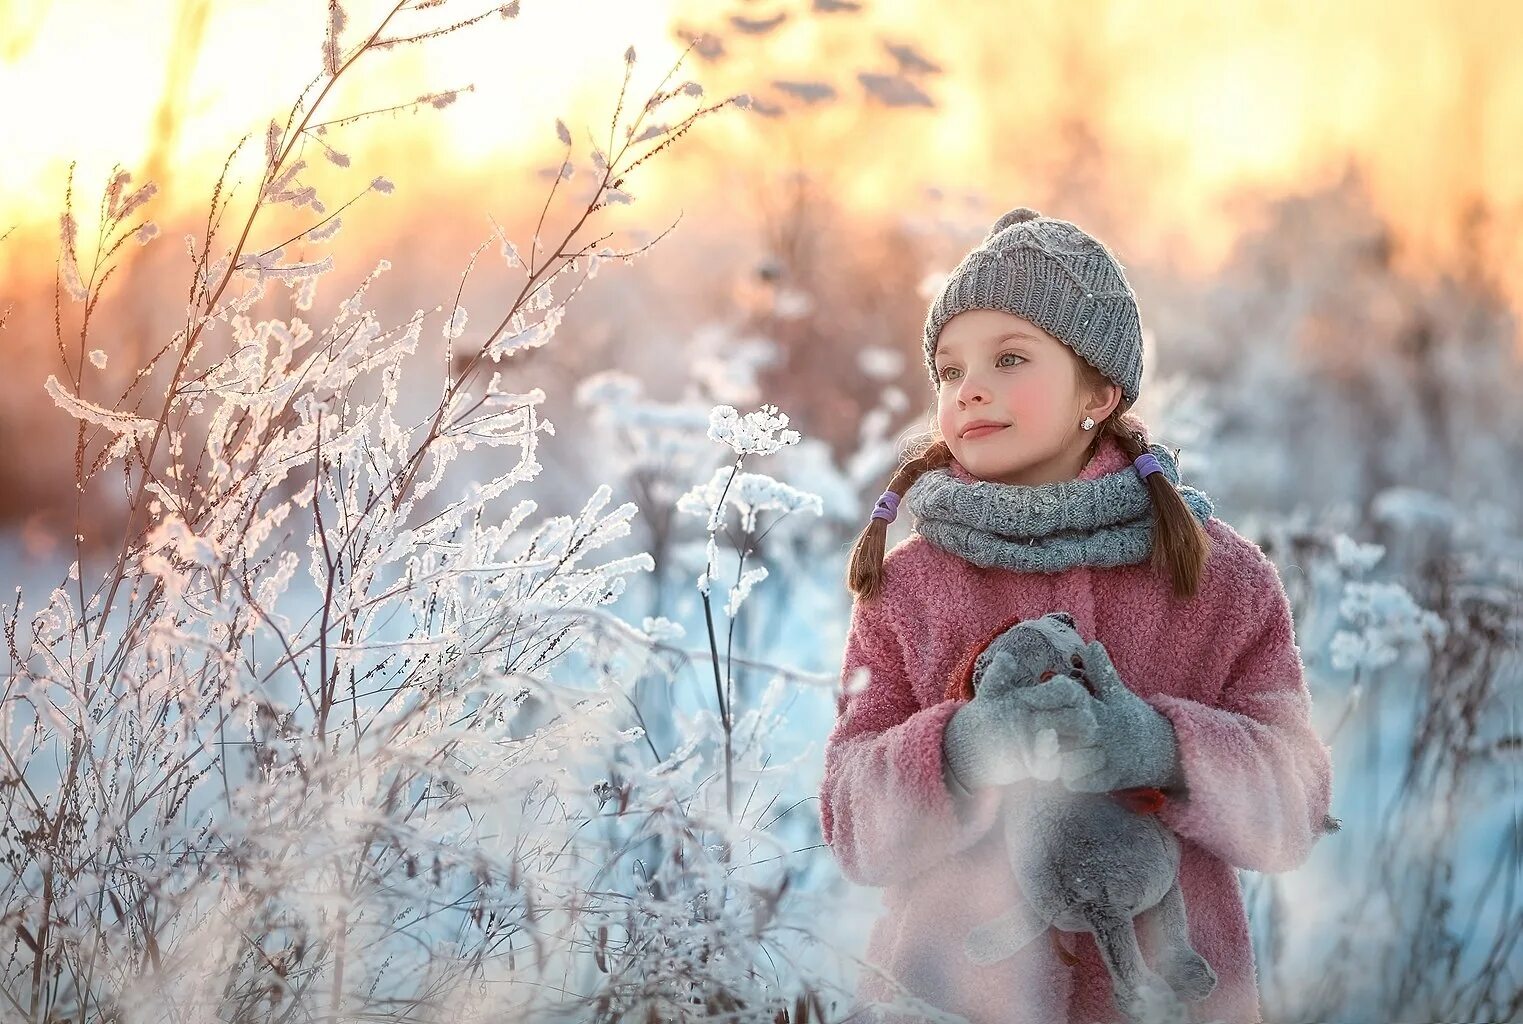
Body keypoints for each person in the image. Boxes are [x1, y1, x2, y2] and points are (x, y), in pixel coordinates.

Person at [819, 207, 1335, 1024]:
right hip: (950, 997)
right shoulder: (908, 585)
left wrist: (1160, 748)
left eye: (1009, 358)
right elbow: (853, 822)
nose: (970, 389)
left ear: (1098, 390)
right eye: (949, 371)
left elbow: (1294, 807)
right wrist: (957, 751)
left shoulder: (1214, 575)